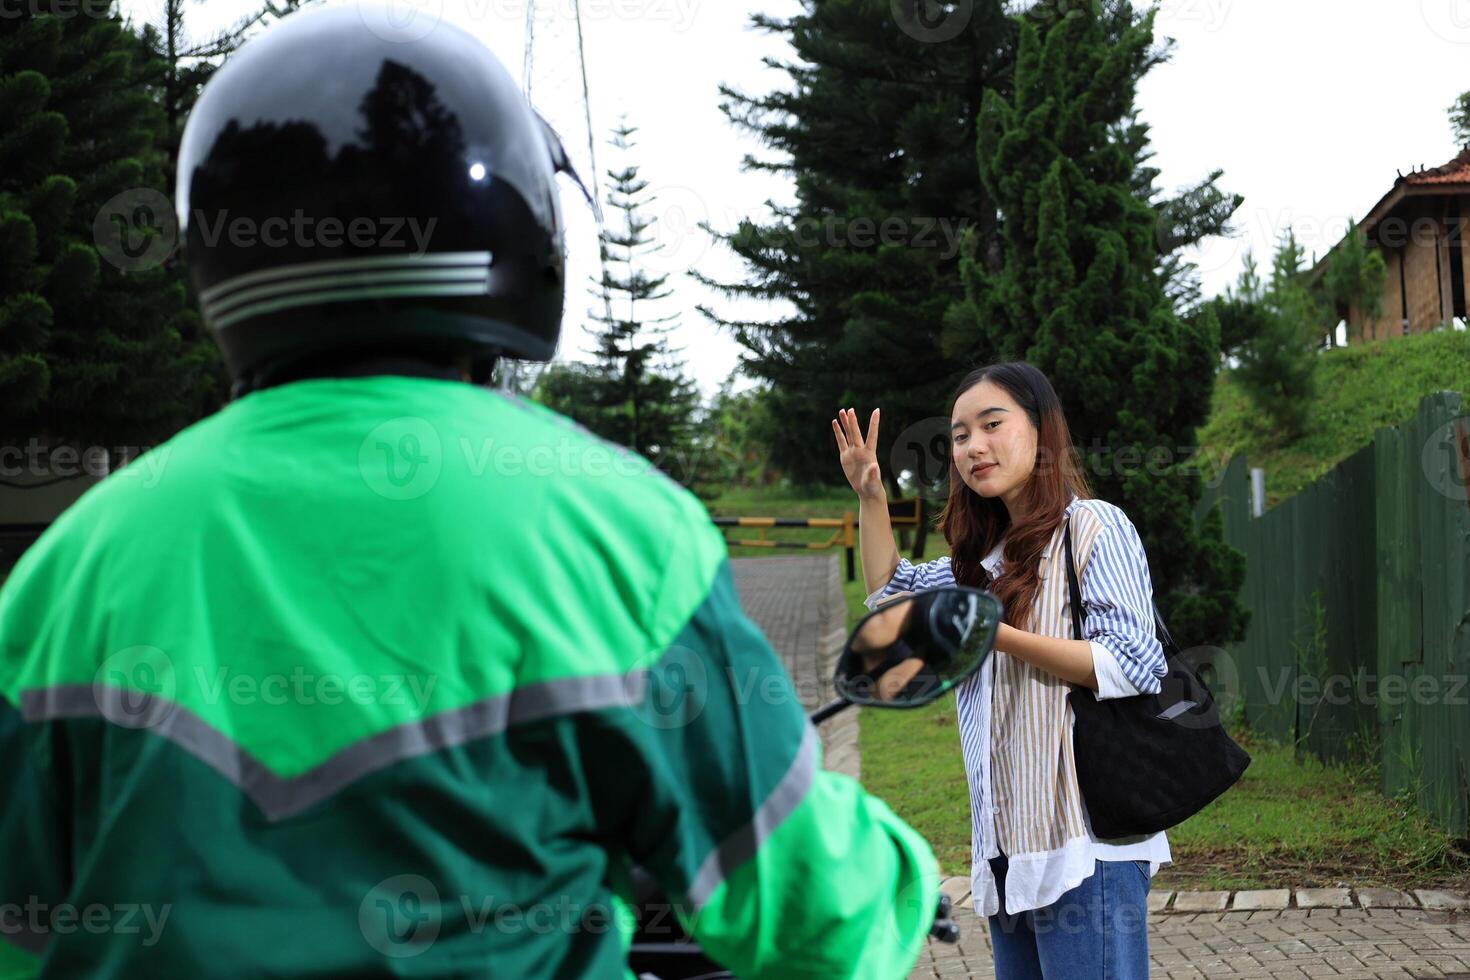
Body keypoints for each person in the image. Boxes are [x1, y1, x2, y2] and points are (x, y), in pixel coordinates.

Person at [0, 8, 940, 978]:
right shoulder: (616, 531)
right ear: (514, 229)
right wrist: (907, 873)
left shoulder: (65, 574)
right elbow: (817, 914)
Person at [831, 362, 1172, 979]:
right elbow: (891, 596)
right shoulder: (979, 564)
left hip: (1083, 846)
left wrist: (1002, 636)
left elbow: (1134, 662)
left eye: (992, 425)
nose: (973, 447)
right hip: (1005, 849)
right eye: (960, 436)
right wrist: (872, 496)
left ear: (1042, 431)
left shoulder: (1094, 528)